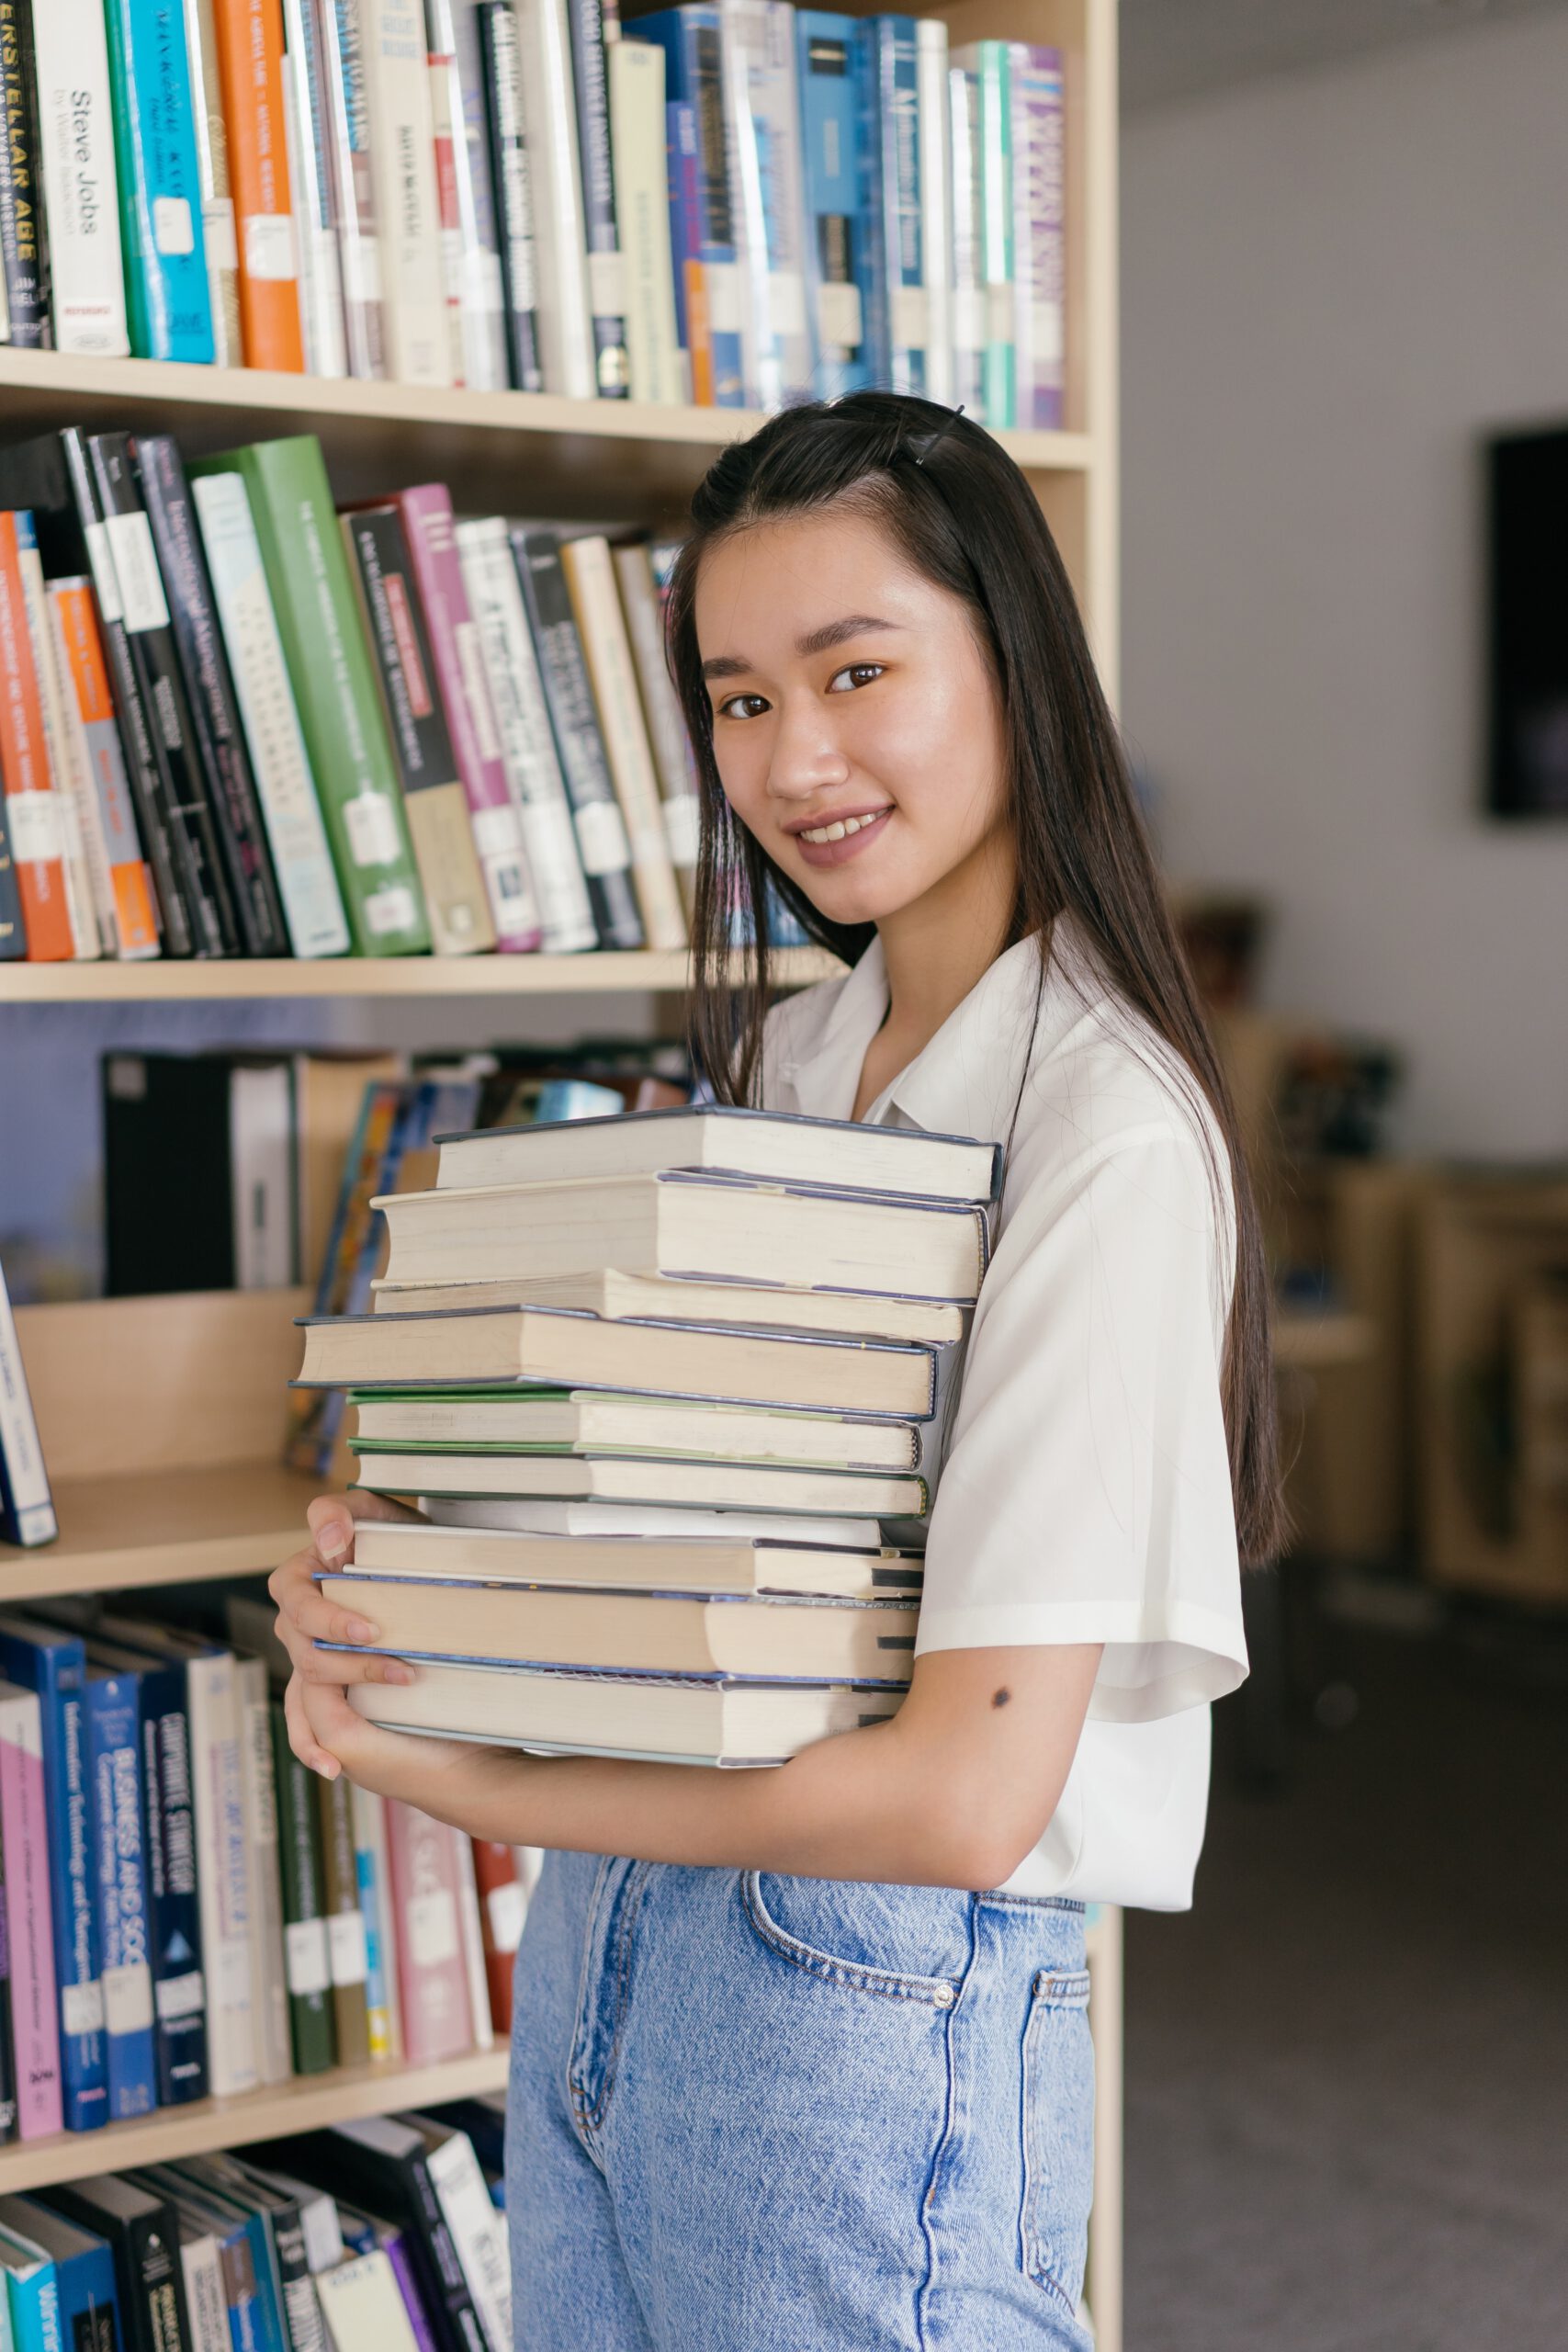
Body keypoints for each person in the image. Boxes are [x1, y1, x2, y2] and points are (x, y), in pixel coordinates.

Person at [270, 391, 1282, 2351]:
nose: (792, 756)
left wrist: (482, 1772)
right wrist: (431, 1563)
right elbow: (696, 1579)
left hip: (867, 2010)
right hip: (610, 1960)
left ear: (1014, 662)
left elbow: (969, 1790)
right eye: (737, 698)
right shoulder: (789, 1065)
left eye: (854, 670)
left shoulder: (1103, 1126)